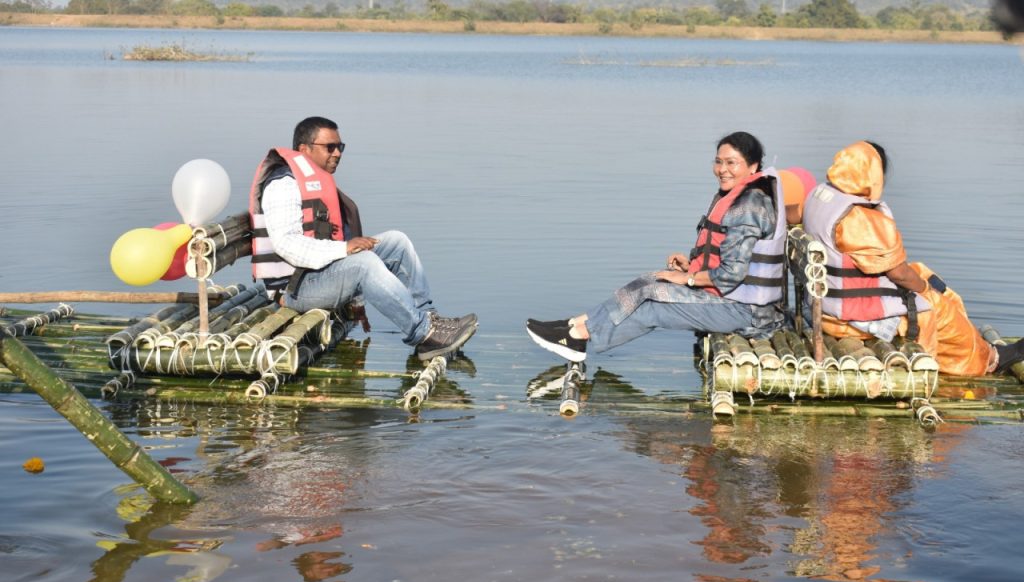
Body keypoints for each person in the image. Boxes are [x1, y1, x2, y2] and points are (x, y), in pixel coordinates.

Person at [526, 131, 788, 362]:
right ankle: (575, 324)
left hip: (748, 313)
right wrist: (691, 266)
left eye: (731, 163)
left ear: (753, 166)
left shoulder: (749, 205)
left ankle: (578, 338)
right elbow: (733, 258)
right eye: (718, 161)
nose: (722, 169)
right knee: (648, 280)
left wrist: (688, 278)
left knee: (653, 304)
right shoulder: (738, 197)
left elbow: (732, 274)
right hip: (730, 300)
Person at [249, 116, 477, 360]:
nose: (337, 153)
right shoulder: (283, 185)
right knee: (364, 264)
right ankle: (424, 335)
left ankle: (429, 318)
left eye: (340, 147)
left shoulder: (314, 181)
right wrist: (345, 249)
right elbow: (287, 244)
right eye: (330, 147)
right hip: (295, 289)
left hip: (319, 272)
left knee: (397, 242)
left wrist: (353, 288)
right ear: (304, 149)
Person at [800, 140, 1024, 376]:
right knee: (936, 304)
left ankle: (971, 340)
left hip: (826, 302)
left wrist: (924, 282)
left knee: (923, 273)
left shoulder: (820, 196)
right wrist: (926, 290)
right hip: (849, 315)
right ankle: (987, 359)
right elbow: (898, 273)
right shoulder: (858, 217)